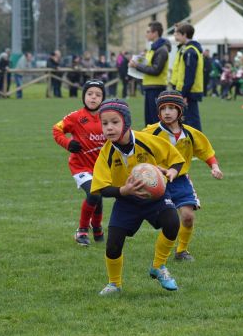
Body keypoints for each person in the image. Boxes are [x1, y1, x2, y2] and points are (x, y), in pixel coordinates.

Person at [90, 99, 184, 295]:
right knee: (113, 245)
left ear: (126, 122)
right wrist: (123, 191)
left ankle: (158, 266)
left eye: (114, 122)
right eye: (104, 123)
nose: (109, 128)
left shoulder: (147, 140)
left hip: (155, 197)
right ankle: (114, 284)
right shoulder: (105, 153)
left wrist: (173, 172)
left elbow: (175, 159)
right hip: (126, 201)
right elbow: (101, 188)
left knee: (172, 222)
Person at [142, 91, 223, 261]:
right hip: (158, 181)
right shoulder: (151, 132)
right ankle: (161, 255)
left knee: (187, 217)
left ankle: (181, 251)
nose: (167, 112)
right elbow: (138, 151)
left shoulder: (190, 133)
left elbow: (206, 152)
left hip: (181, 181)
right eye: (163, 108)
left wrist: (214, 167)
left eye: (172, 108)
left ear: (180, 111)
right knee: (167, 221)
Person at [52, 80, 106, 246]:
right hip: (80, 166)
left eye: (98, 95)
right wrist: (68, 144)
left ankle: (96, 226)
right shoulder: (76, 117)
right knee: (94, 193)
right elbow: (56, 129)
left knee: (98, 198)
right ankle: (82, 230)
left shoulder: (108, 117)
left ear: (103, 98)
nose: (93, 97)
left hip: (102, 168)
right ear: (84, 96)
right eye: (90, 94)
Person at [129, 21, 170, 125]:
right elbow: (149, 64)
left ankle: (158, 141)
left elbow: (156, 70)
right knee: (149, 121)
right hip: (149, 87)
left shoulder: (162, 50)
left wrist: (137, 66)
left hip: (156, 88)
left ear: (155, 33)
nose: (146, 34)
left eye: (148, 31)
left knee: (156, 120)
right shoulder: (153, 48)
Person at [171, 23, 204, 131]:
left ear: (184, 35)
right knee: (187, 120)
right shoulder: (187, 50)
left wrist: (184, 94)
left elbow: (190, 76)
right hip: (187, 91)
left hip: (190, 92)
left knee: (192, 122)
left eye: (178, 34)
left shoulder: (190, 52)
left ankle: (198, 145)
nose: (175, 36)